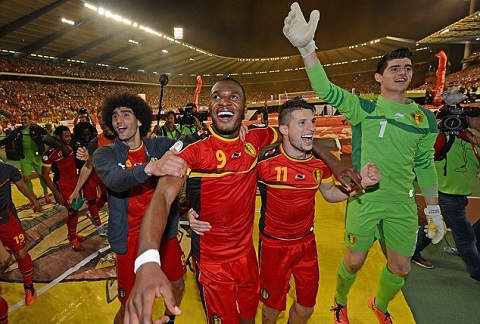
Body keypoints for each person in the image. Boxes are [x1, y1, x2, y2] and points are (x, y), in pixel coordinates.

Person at [125, 77, 363, 324]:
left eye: (233, 97)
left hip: (247, 257)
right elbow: (162, 196)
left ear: (243, 108)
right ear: (209, 105)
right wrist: (147, 260)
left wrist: (333, 162)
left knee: (249, 318)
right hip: (212, 264)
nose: (224, 101)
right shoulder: (192, 147)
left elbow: (298, 136)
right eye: (217, 96)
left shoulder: (255, 137)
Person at [283, 3, 445, 323]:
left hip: (401, 202)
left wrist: (435, 209)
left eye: (406, 67)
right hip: (364, 196)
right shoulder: (365, 109)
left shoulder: (424, 118)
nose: (401, 72)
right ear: (379, 76)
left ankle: (380, 307)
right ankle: (340, 301)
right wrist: (307, 48)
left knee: (401, 267)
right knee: (354, 263)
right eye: (394, 67)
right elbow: (325, 89)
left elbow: (425, 163)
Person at [190, 97, 381, 323]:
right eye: (302, 123)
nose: (310, 128)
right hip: (273, 247)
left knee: (306, 307)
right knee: (271, 309)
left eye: (312, 122)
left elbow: (330, 195)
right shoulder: (263, 162)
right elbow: (229, 185)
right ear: (283, 129)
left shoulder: (320, 165)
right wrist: (195, 210)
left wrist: (363, 186)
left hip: (306, 245)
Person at [92, 93, 188, 324]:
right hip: (129, 238)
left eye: (126, 114)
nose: (118, 120)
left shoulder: (158, 145)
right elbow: (115, 179)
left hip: (163, 232)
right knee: (130, 306)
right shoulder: (105, 153)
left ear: (140, 120)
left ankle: (169, 318)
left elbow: (190, 143)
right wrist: (151, 168)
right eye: (114, 116)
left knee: (177, 284)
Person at [412, 114, 480, 280]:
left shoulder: (475, 140)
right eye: (474, 117)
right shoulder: (447, 135)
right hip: (447, 194)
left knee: (435, 225)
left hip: (456, 193)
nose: (478, 121)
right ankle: (477, 271)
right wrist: (441, 125)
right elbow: (424, 152)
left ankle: (412, 250)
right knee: (465, 238)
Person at [68, 111, 116, 237]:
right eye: (99, 118)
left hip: (111, 179)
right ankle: (99, 225)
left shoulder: (124, 137)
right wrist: (76, 190)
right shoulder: (95, 142)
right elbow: (88, 166)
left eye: (104, 116)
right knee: (94, 201)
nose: (102, 120)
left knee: (112, 202)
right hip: (95, 177)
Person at [0, 161, 41, 306]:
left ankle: (29, 286)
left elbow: (22, 185)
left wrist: (34, 200)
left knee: (20, 253)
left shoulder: (6, 169)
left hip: (8, 221)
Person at [41, 126, 85, 251]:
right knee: (72, 211)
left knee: (75, 210)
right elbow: (44, 175)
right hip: (63, 185)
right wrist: (55, 192)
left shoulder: (68, 147)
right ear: (58, 137)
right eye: (66, 136)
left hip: (74, 183)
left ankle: (72, 234)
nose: (69, 138)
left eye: (70, 135)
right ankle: (72, 238)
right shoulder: (50, 154)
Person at [0, 114, 51, 204]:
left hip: (36, 156)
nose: (23, 121)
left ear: (30, 120)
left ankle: (46, 194)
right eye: (22, 119)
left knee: (42, 176)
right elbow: (8, 139)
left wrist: (37, 126)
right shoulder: (18, 131)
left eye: (25, 119)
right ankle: (32, 197)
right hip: (24, 157)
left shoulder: (35, 129)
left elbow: (44, 132)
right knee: (26, 179)